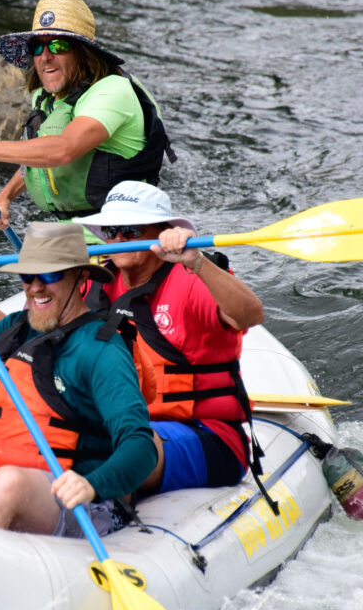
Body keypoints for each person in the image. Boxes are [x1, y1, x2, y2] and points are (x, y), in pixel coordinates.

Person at [0, 222, 156, 537]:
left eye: (49, 276)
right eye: (27, 277)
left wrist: (91, 485)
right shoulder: (16, 326)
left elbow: (140, 444)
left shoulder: (101, 349)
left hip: (85, 504)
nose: (35, 287)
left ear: (81, 277)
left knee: (9, 482)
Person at [80, 181, 265, 494]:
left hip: (209, 434)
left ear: (162, 231)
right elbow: (28, 341)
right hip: (123, 422)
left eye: (131, 229)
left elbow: (250, 315)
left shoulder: (192, 278)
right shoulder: (96, 281)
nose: (119, 239)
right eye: (111, 230)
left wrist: (196, 261)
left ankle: (107, 513)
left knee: (127, 444)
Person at [0, 0, 175, 226]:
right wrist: (6, 196)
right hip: (70, 232)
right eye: (37, 46)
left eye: (58, 45)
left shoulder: (113, 91)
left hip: (124, 234)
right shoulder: (45, 99)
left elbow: (64, 149)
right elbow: (38, 156)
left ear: (83, 52)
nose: (46, 57)